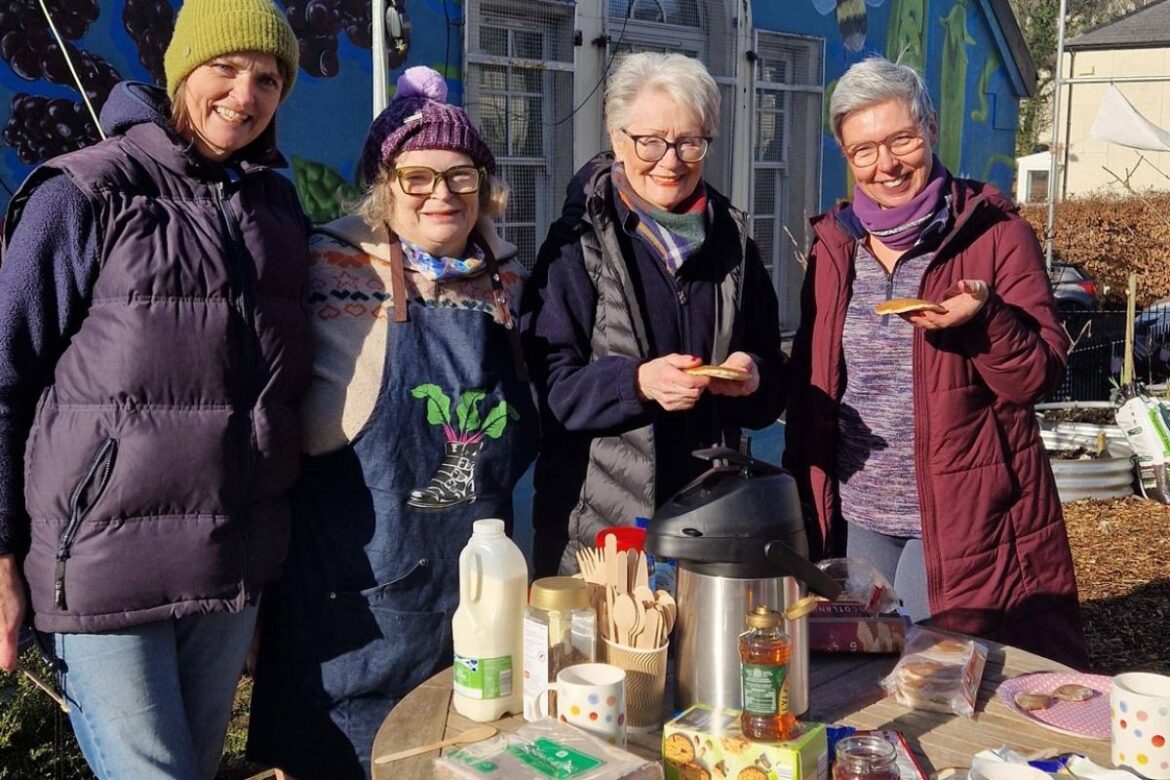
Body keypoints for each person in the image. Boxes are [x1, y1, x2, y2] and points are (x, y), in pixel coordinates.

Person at [0, 0, 310, 777]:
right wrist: (0, 555)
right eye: (225, 69)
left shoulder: (275, 207)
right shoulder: (87, 192)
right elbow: (5, 376)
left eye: (268, 79)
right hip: (102, 569)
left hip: (228, 566)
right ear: (181, 73)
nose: (245, 95)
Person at [246, 66, 538, 779]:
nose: (442, 193)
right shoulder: (325, 265)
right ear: (384, 187)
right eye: (417, 176)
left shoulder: (509, 281)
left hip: (479, 603)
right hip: (353, 618)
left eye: (461, 175)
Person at [783, 56, 1087, 667]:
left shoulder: (994, 234)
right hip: (859, 507)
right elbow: (816, 376)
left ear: (931, 128)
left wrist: (985, 318)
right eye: (864, 150)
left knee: (934, 671)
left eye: (901, 139)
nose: (886, 165)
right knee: (866, 672)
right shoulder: (835, 246)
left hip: (959, 511)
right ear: (845, 155)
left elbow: (1037, 376)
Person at [522, 52, 787, 577]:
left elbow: (773, 381)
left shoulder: (733, 244)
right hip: (600, 534)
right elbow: (549, 389)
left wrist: (755, 377)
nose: (670, 160)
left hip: (709, 523)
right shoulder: (577, 243)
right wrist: (638, 383)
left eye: (689, 142)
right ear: (618, 140)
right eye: (650, 141)